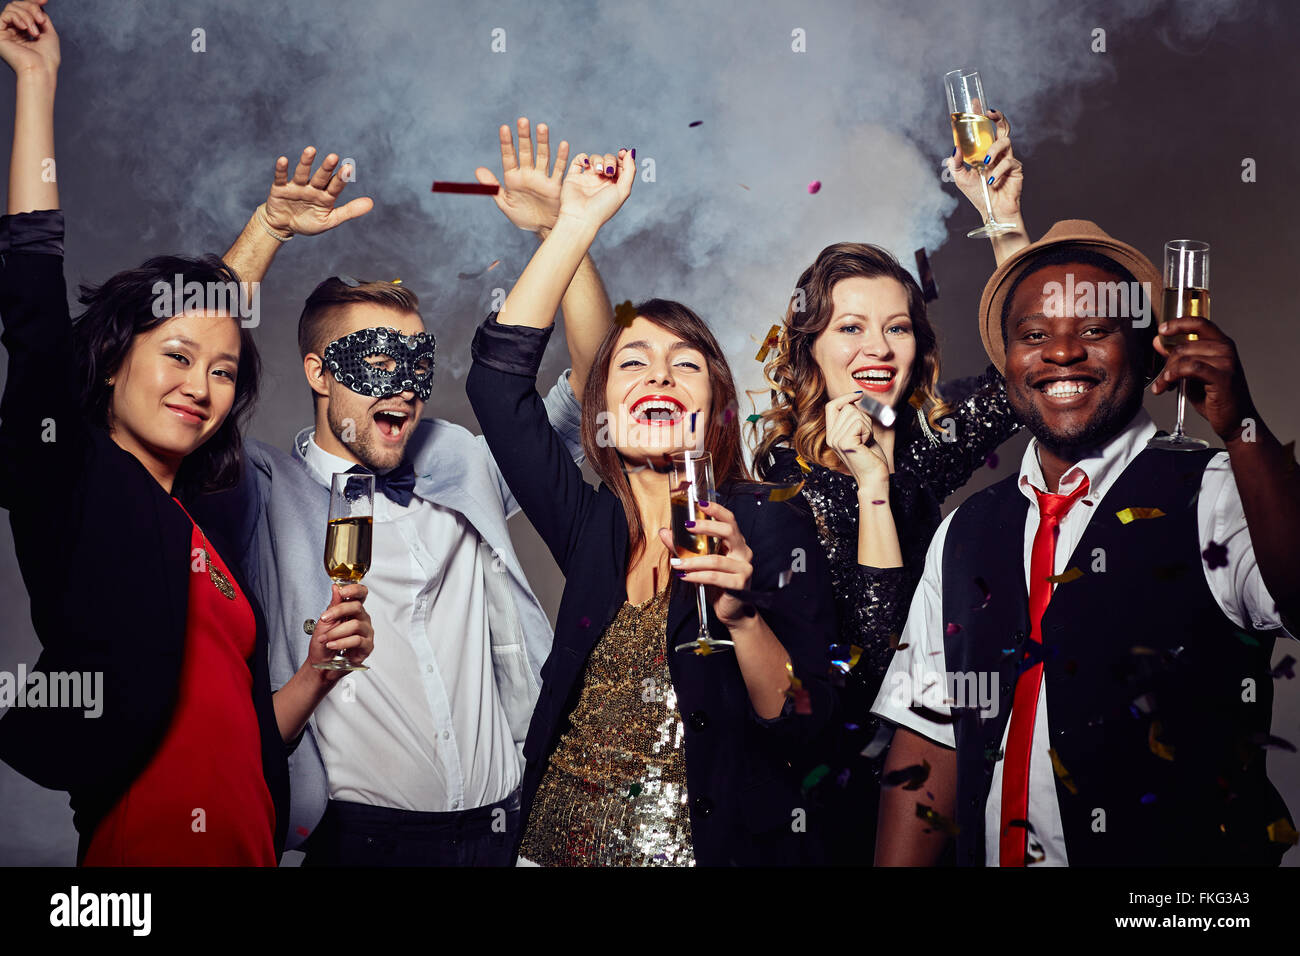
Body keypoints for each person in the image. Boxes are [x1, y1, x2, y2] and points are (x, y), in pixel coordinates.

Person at [0, 0, 373, 865]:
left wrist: (317, 670)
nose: (200, 386)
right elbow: (30, 291)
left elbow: (247, 740)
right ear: (108, 364)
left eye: (222, 373)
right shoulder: (75, 481)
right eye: (172, 357)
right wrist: (37, 81)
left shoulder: (200, 531)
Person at [203, 117, 614, 865]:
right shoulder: (264, 491)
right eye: (373, 363)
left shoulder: (461, 461)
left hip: (504, 831)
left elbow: (597, 391)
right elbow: (192, 369)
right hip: (362, 846)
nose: (403, 388)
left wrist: (567, 235)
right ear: (320, 373)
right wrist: (267, 229)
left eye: (414, 365)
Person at [872, 219, 1299, 866]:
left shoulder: (1216, 492)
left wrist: (1239, 425)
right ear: (1009, 363)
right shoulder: (965, 530)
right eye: (1034, 335)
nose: (1062, 353)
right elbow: (929, 744)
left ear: (1150, 351)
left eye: (1095, 331)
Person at [467, 145, 838, 866]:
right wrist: (572, 226)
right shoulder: (594, 525)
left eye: (687, 364)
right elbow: (495, 389)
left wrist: (741, 616)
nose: (659, 374)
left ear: (717, 407)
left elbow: (806, 725)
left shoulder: (766, 521)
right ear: (599, 403)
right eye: (633, 362)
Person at [748, 111, 1029, 862]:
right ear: (810, 347)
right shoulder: (781, 478)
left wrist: (1002, 219)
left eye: (897, 328)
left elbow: (1030, 369)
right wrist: (870, 482)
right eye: (851, 328)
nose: (877, 347)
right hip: (831, 790)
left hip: (934, 768)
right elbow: (874, 662)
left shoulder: (926, 445)